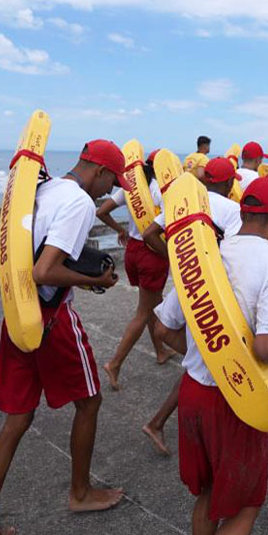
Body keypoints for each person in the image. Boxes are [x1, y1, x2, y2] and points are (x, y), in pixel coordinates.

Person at [0, 140, 125, 535]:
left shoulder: (42, 188)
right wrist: (96, 281)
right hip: (52, 320)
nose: (109, 192)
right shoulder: (79, 203)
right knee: (89, 402)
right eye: (111, 182)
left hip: (18, 315)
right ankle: (80, 491)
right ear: (100, 171)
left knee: (16, 421)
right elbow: (44, 270)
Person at [153, 176, 268, 535]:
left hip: (193, 392)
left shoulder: (208, 254)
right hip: (239, 399)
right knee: (245, 505)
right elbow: (267, 347)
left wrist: (206, 354)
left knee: (208, 494)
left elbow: (162, 328)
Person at [141, 157, 242, 455]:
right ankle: (158, 422)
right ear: (227, 183)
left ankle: (157, 423)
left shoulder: (179, 201)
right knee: (205, 360)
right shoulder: (233, 210)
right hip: (215, 286)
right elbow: (234, 255)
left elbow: (148, 234)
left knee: (192, 355)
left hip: (187, 280)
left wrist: (176, 260)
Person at [95, 149, 172, 390]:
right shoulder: (161, 191)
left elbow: (101, 211)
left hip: (133, 252)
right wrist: (167, 253)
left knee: (151, 305)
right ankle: (115, 363)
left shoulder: (131, 187)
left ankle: (160, 350)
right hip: (153, 253)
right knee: (144, 310)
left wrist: (121, 230)